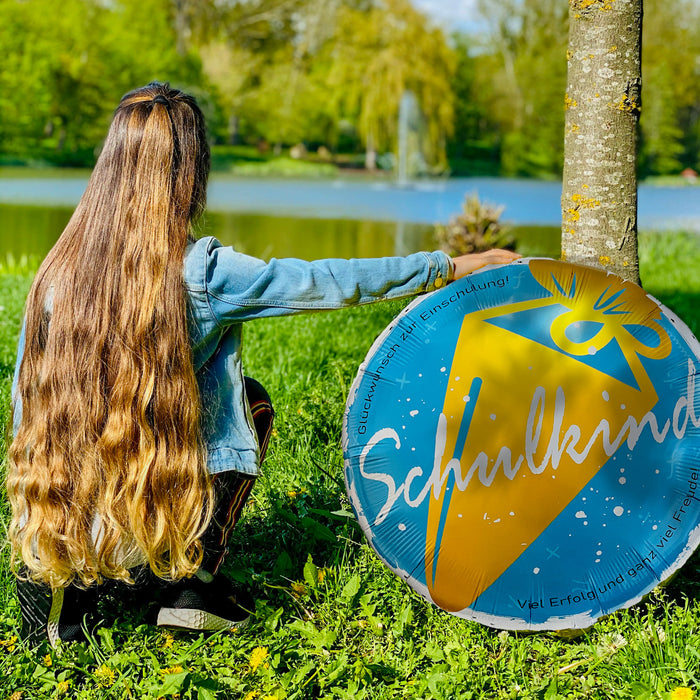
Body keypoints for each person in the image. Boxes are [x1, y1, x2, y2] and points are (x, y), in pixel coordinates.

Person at [7, 82, 520, 647]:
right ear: (189, 172)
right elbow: (327, 281)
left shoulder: (56, 269)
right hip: (150, 510)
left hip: (59, 514)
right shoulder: (202, 271)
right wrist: (447, 265)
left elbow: (25, 401)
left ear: (108, 165)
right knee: (249, 403)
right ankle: (191, 585)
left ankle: (56, 591)